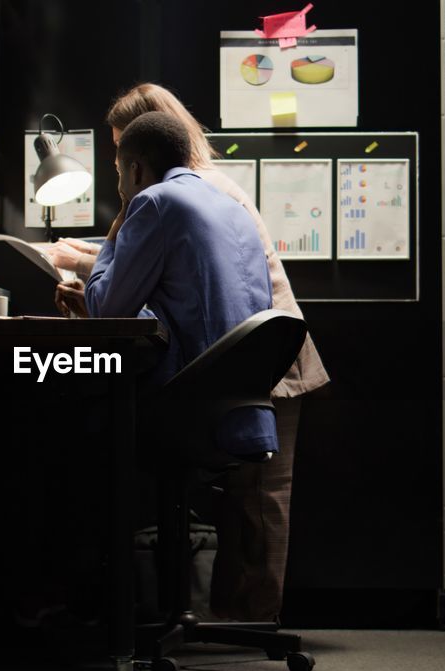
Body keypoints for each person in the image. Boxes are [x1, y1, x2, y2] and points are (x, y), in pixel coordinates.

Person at [52, 84, 329, 622]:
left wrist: (89, 265)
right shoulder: (207, 189)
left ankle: (253, 623)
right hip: (250, 351)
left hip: (264, 362)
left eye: (122, 152)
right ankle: (233, 623)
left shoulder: (176, 195)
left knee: (259, 504)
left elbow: (131, 281)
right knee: (246, 501)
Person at [55, 111, 277, 459]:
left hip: (189, 406)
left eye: (118, 173)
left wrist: (116, 225)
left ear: (136, 170)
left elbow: (106, 309)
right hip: (245, 411)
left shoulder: (154, 201)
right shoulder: (235, 210)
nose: (118, 187)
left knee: (43, 371)